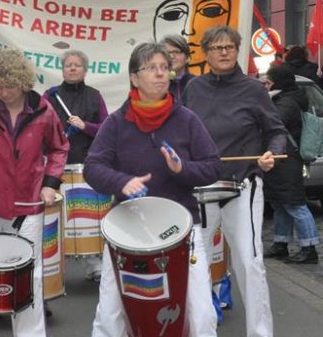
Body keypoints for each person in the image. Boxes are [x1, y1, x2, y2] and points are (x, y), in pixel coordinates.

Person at [84, 42, 221, 337]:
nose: (161, 74)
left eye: (164, 68)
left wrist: (181, 169)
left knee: (201, 314)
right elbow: (93, 167)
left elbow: (212, 167)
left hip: (182, 229)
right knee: (110, 312)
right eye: (151, 68)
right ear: (134, 77)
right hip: (127, 229)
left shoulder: (187, 119)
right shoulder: (117, 122)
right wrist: (121, 181)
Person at [183, 25, 287, 337]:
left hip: (242, 186)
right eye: (217, 47)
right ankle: (201, 331)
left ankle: (261, 333)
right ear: (206, 53)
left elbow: (276, 131)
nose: (224, 52)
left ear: (237, 50)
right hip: (201, 190)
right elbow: (181, 133)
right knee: (193, 264)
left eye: (229, 47)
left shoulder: (254, 89)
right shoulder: (193, 89)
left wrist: (272, 153)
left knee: (249, 262)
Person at [0, 47, 69, 337]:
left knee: (30, 279)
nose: (4, 92)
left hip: (27, 205)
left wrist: (50, 183)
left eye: (9, 86)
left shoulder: (45, 111)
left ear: (23, 81)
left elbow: (59, 148)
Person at [44, 49, 108, 282]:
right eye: (68, 65)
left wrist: (86, 127)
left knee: (88, 220)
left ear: (85, 70)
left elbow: (105, 129)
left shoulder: (94, 95)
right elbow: (38, 127)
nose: (72, 68)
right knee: (58, 219)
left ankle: (94, 264)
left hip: (86, 164)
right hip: (57, 167)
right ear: (62, 69)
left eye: (77, 65)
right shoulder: (50, 96)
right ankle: (54, 270)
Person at [263, 64, 319, 264]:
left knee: (295, 204)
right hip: (280, 159)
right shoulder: (283, 98)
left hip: (288, 160)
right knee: (280, 204)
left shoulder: (287, 102)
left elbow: (273, 122)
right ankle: (281, 243)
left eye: (268, 82)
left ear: (278, 83)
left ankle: (309, 247)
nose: (265, 85)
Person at [159, 34, 195, 99]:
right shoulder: (155, 85)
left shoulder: (198, 84)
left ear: (187, 57)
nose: (171, 56)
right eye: (167, 53)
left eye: (176, 52)